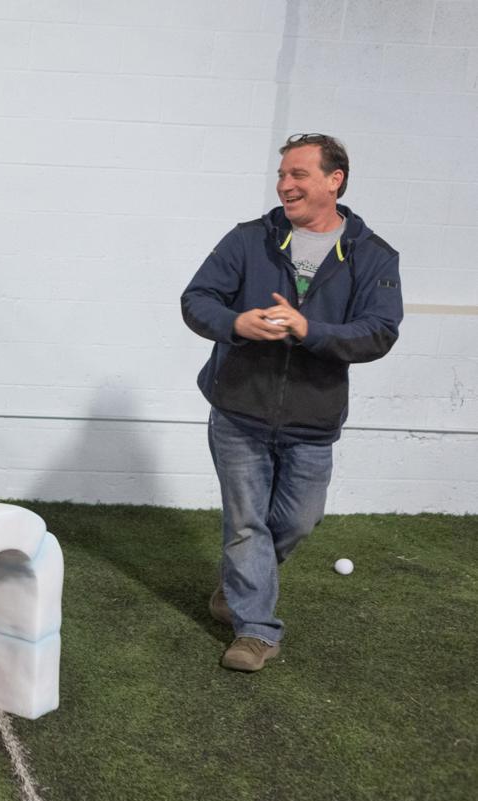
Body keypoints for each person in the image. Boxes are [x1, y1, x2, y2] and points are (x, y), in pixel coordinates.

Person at [180, 133, 403, 672]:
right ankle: (256, 631)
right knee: (245, 524)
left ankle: (240, 584)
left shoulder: (373, 256)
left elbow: (379, 332)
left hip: (313, 417)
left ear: (334, 180)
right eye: (282, 175)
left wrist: (311, 330)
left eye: (298, 174)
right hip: (238, 409)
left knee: (298, 522)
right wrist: (235, 322)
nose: (285, 185)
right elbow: (196, 300)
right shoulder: (248, 240)